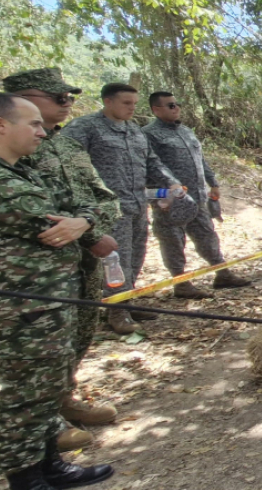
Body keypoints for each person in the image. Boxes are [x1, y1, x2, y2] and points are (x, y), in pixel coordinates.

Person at [0, 94, 115, 490]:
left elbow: (87, 205)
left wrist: (82, 222)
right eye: (31, 124)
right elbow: (53, 219)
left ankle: (48, 467)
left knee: (46, 388)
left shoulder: (26, 171)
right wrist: (81, 220)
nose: (42, 132)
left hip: (48, 304)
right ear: (2, 126)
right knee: (22, 399)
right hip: (18, 313)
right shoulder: (7, 185)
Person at [61, 83, 184, 334]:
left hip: (137, 206)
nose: (132, 108)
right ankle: (116, 312)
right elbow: (66, 169)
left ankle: (126, 301)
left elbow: (152, 162)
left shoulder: (135, 131)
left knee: (135, 257)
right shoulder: (85, 128)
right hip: (107, 211)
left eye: (134, 103)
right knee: (116, 261)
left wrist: (171, 182)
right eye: (126, 103)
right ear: (108, 102)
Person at [142, 91, 251, 299]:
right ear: (156, 109)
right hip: (171, 200)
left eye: (177, 104)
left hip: (198, 198)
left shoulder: (185, 131)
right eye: (170, 105)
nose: (176, 108)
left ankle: (222, 273)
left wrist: (213, 182)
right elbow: (150, 166)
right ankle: (181, 283)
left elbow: (200, 160)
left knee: (207, 236)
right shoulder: (148, 134)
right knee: (173, 241)